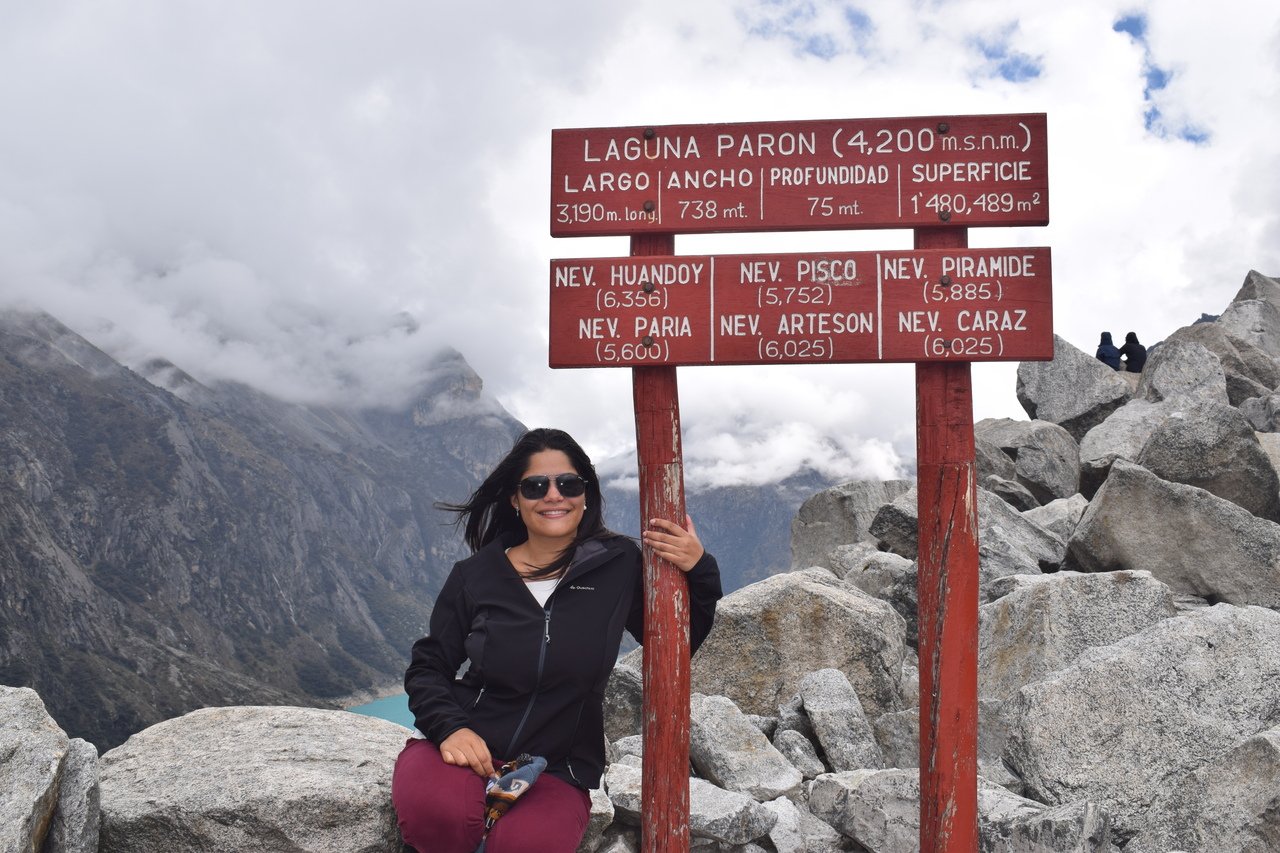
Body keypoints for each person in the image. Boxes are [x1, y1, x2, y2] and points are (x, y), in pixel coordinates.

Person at [391, 427, 722, 853]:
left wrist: (699, 568)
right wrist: (450, 728)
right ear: (515, 498)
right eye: (535, 486)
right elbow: (428, 666)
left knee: (527, 847)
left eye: (568, 484)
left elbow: (676, 647)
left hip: (559, 766)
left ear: (586, 494)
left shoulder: (619, 564)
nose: (553, 495)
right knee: (439, 820)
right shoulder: (476, 576)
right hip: (465, 744)